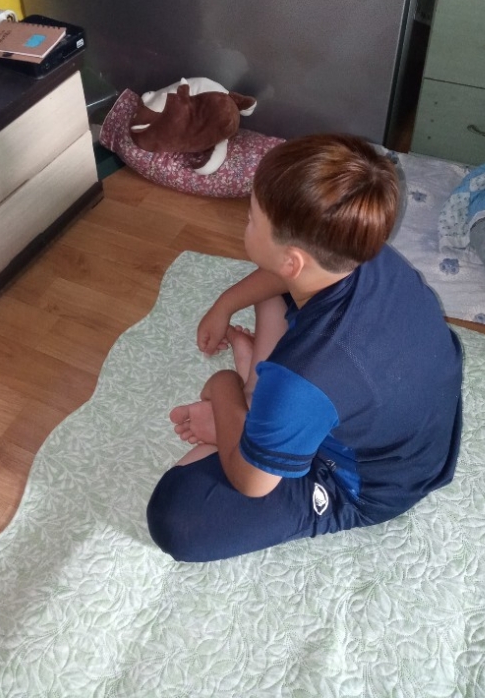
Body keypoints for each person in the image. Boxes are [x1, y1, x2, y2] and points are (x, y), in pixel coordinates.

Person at [147, 134, 463, 562]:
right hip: (404, 419)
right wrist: (226, 303)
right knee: (278, 295)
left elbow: (252, 484)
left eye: (251, 219)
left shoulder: (303, 378)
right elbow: (284, 275)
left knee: (177, 519)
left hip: (367, 483)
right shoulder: (363, 252)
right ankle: (256, 405)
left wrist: (222, 389)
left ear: (292, 260)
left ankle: (250, 402)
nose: (245, 223)